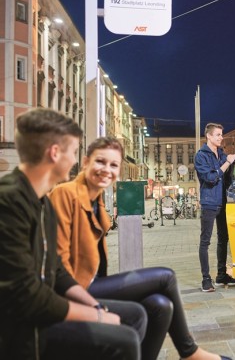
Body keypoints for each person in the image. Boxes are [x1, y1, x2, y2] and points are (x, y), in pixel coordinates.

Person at [49, 136, 230, 360]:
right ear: (85, 163)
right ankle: (190, 351)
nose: (107, 169)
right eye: (100, 162)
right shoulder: (65, 194)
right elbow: (58, 269)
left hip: (92, 283)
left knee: (161, 305)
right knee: (166, 277)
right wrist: (94, 307)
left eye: (114, 165)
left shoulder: (96, 199)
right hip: (72, 290)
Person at [0, 109, 145, 359]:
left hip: (42, 310)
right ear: (55, 153)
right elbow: (26, 295)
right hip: (23, 330)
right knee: (124, 339)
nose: (76, 160)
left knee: (134, 316)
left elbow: (55, 270)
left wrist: (95, 305)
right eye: (74, 151)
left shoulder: (41, 201)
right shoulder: (10, 201)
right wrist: (98, 315)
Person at [195, 123, 235, 292]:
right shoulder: (201, 156)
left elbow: (227, 175)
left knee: (224, 239)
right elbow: (210, 178)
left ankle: (221, 274)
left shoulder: (221, 154)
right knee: (205, 241)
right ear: (209, 136)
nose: (221, 137)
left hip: (223, 201)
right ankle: (206, 279)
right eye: (218, 135)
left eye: (221, 134)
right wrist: (226, 164)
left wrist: (232, 163)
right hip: (209, 202)